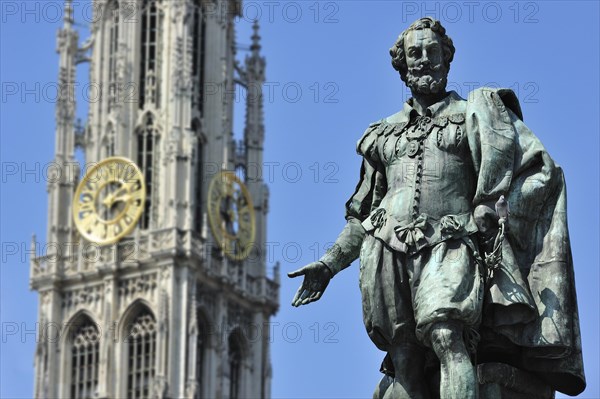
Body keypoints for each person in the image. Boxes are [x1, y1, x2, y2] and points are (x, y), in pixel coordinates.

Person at [288, 17, 585, 398]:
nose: (424, 59)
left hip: (451, 241)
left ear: (447, 59)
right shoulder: (382, 133)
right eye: (415, 53)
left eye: (432, 51)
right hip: (385, 252)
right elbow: (362, 215)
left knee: (447, 334)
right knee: (405, 358)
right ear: (402, 65)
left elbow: (540, 169)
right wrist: (328, 264)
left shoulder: (476, 113)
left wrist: (491, 209)